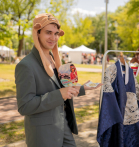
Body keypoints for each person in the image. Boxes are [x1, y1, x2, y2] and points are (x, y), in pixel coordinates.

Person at [15, 13, 102, 147]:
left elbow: (59, 87)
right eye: (48, 32)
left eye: (56, 33)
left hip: (63, 125)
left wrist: (82, 88)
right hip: (43, 134)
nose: (53, 38)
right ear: (37, 33)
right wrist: (60, 94)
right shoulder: (26, 65)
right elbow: (24, 106)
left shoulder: (54, 60)